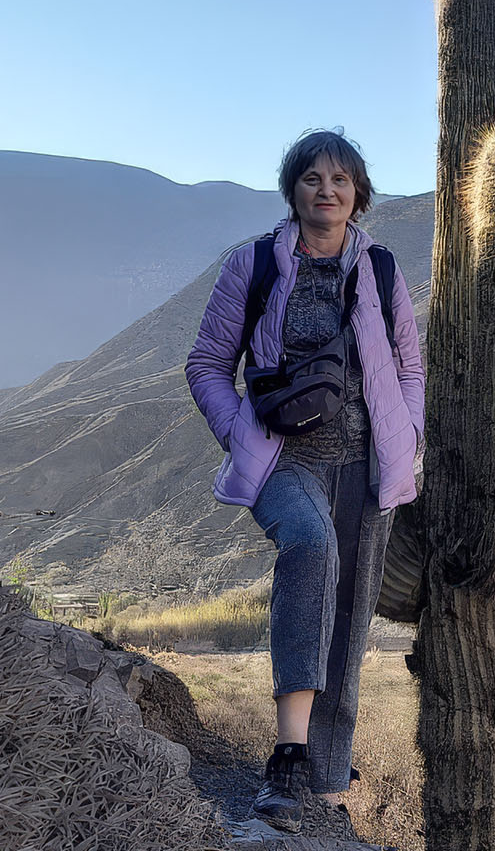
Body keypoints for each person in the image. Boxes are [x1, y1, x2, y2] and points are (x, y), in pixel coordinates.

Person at [184, 129, 424, 833]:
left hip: (365, 462)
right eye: (313, 178)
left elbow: (410, 368)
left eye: (341, 180)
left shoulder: (379, 269)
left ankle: (322, 775)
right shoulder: (255, 264)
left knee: (349, 611)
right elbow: (206, 363)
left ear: (358, 193)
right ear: (293, 188)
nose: (327, 190)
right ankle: (289, 755)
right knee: (312, 548)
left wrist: (406, 439)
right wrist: (238, 433)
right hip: (283, 459)